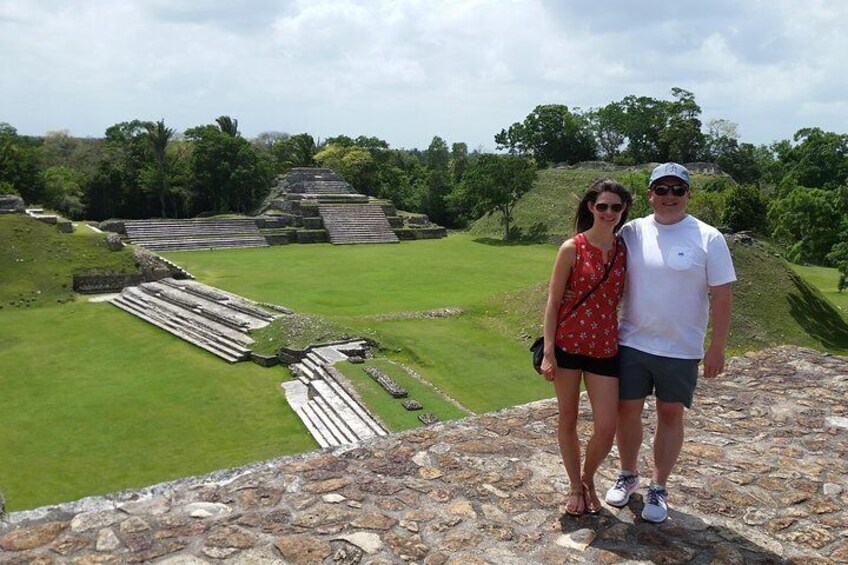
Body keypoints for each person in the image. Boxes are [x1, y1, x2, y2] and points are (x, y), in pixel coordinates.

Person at [604, 162, 736, 523]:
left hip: (680, 346)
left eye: (678, 189)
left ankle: (659, 486)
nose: (669, 196)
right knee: (626, 411)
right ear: (650, 194)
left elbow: (722, 296)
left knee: (670, 413)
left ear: (688, 194)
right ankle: (628, 473)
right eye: (661, 189)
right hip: (632, 340)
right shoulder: (632, 231)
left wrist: (717, 347)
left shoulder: (708, 237)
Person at [541, 178, 632, 515]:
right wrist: (548, 351)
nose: (609, 212)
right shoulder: (572, 248)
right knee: (568, 417)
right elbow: (553, 302)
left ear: (623, 211)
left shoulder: (624, 249)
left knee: (606, 426)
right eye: (603, 206)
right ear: (592, 207)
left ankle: (588, 477)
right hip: (567, 343)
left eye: (616, 207)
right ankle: (574, 485)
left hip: (604, 346)